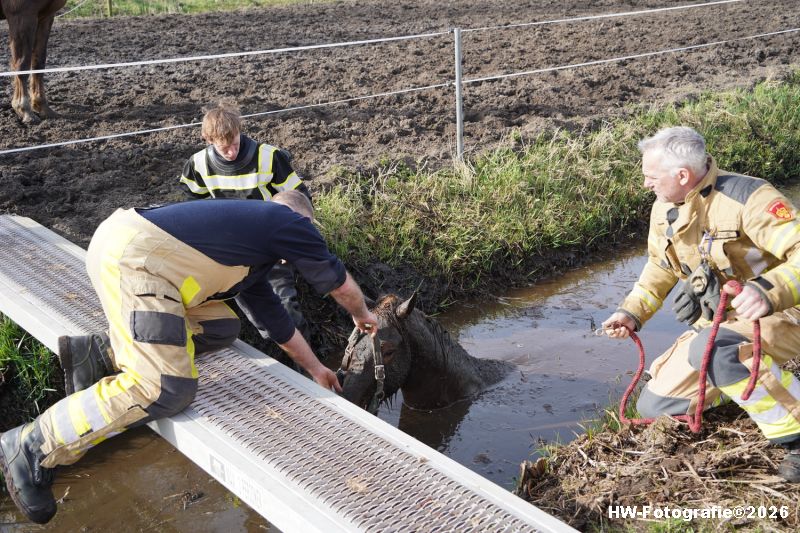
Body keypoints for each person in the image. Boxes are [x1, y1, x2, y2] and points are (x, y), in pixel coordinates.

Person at [0, 190, 378, 524]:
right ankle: (33, 444)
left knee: (222, 327)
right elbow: (339, 283)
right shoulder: (287, 221)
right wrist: (363, 315)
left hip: (127, 246)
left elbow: (274, 322)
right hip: (139, 264)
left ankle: (101, 354)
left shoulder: (252, 246)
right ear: (304, 221)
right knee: (166, 388)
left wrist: (316, 369)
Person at [602, 126, 800, 483]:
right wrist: (630, 312)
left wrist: (767, 291)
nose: (645, 184)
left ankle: (795, 436)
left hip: (782, 313)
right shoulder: (664, 208)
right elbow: (659, 266)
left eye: (651, 177)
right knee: (657, 406)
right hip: (726, 321)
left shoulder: (750, 197)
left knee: (717, 350)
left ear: (682, 175)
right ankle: (743, 382)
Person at [179, 102, 313, 358]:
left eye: (235, 143)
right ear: (209, 140)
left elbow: (299, 199)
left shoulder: (269, 157)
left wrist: (292, 242)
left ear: (240, 131)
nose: (231, 152)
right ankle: (278, 358)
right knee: (256, 316)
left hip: (269, 247)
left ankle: (307, 366)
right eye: (223, 147)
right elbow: (194, 210)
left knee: (286, 309)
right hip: (230, 254)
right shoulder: (198, 165)